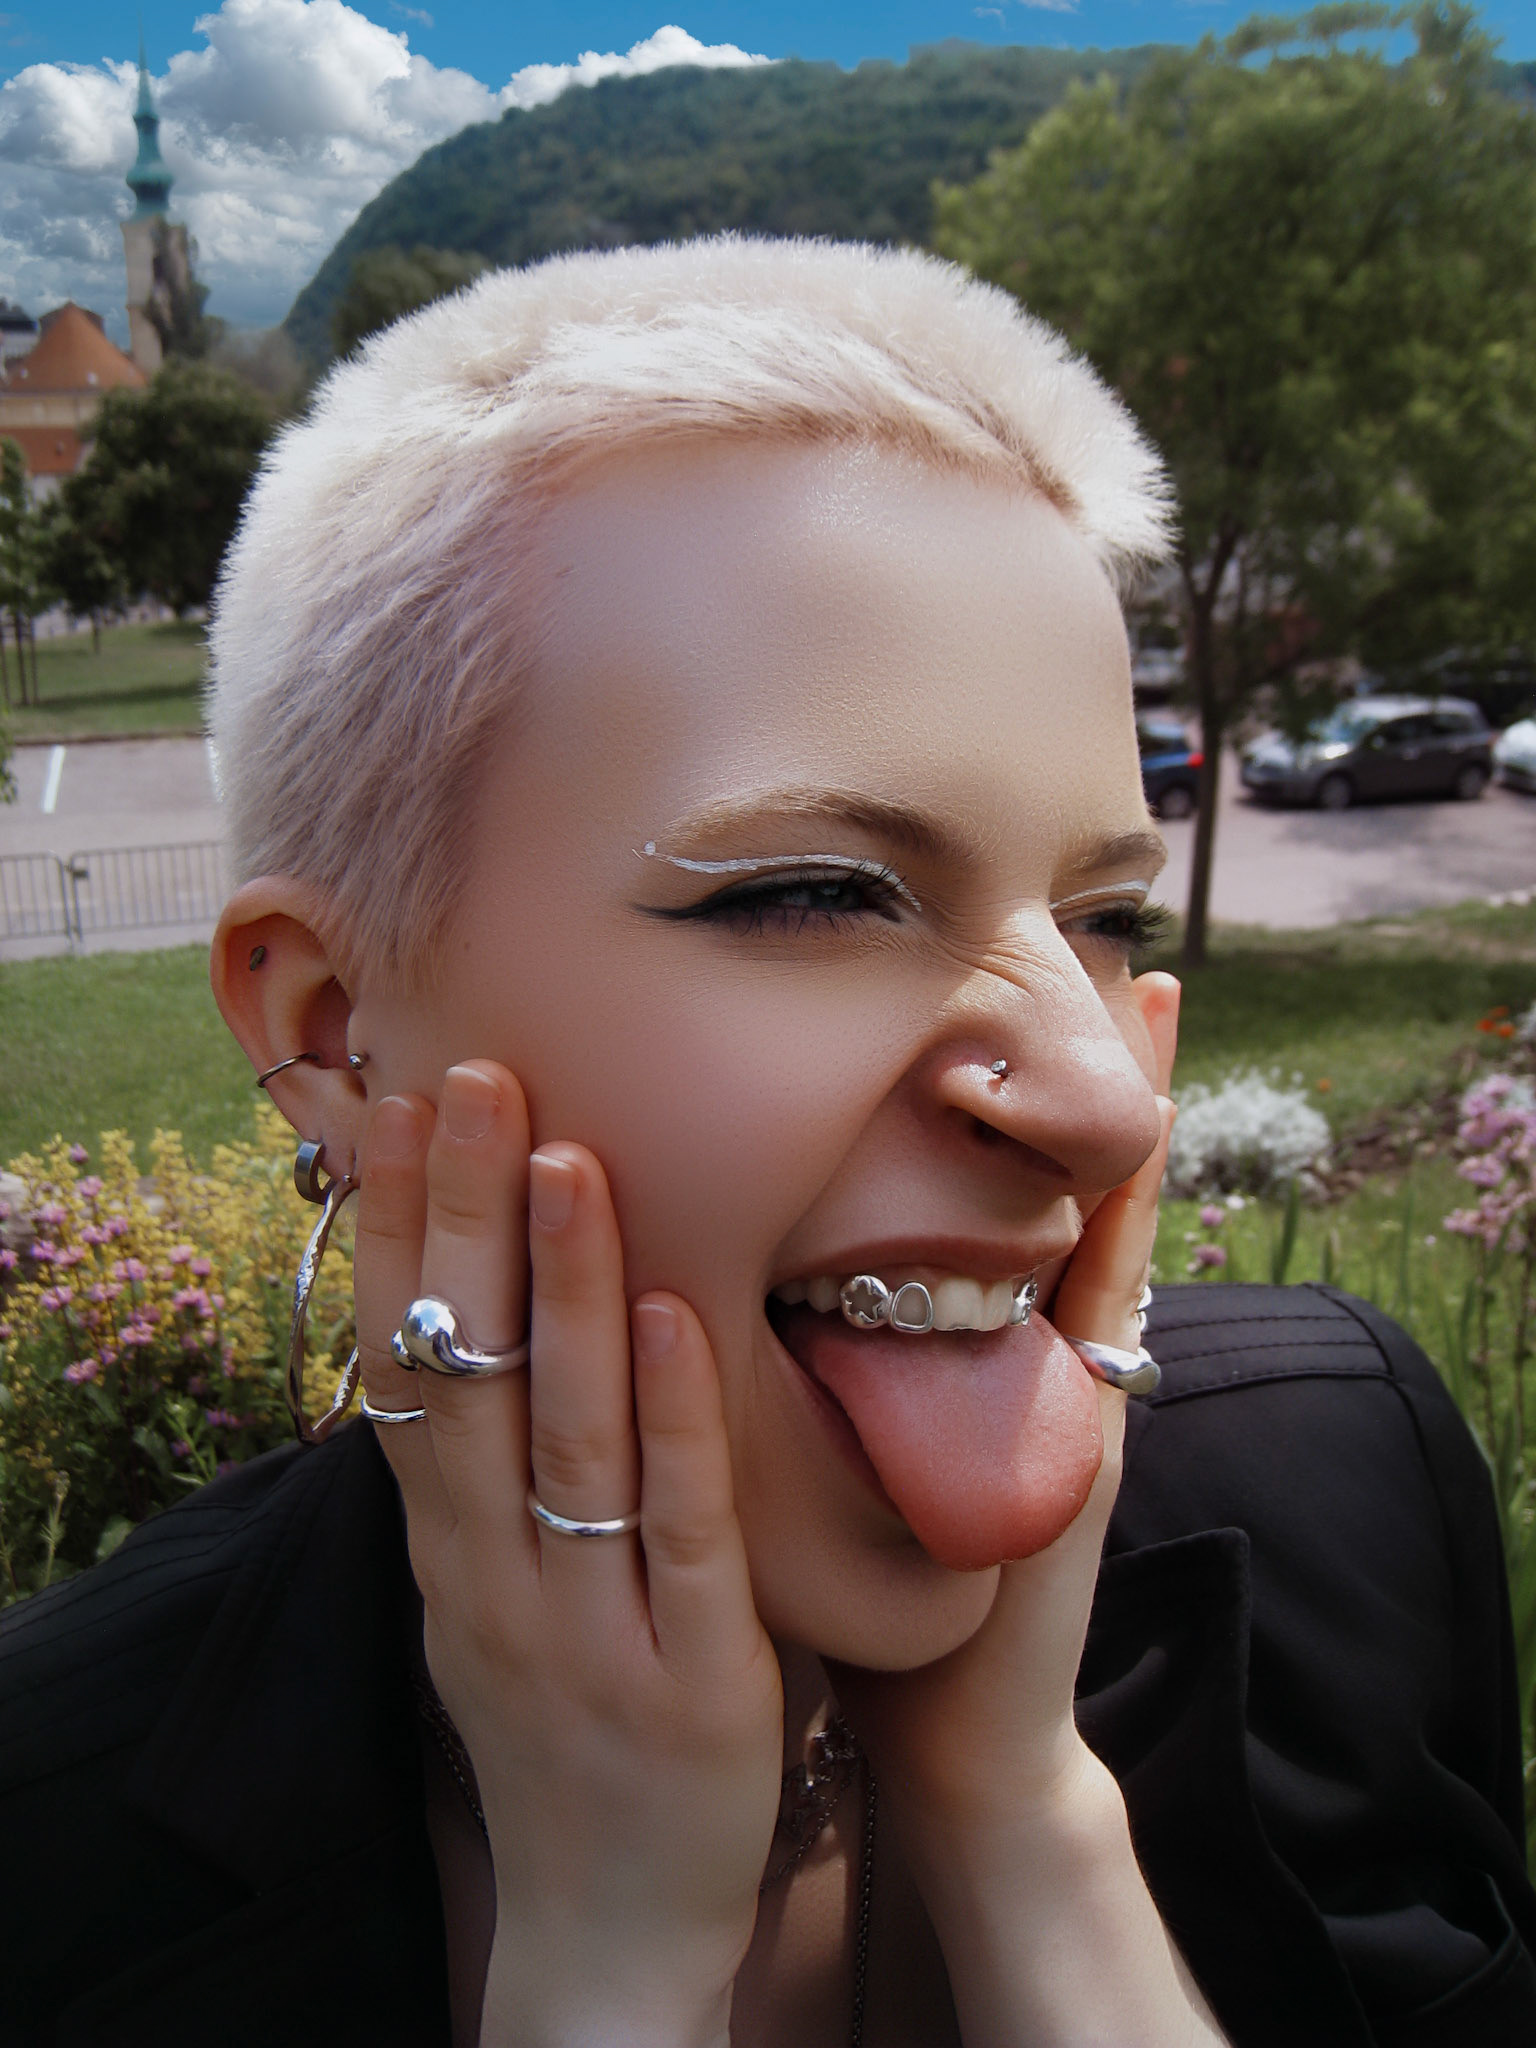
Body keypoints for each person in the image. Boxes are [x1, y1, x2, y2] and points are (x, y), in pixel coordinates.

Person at [1, 237, 1531, 2048]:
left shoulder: (1352, 1497)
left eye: (1106, 918)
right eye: (819, 892)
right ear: (337, 1032)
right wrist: (608, 1972)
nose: (1107, 1099)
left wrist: (1029, 1827)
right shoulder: (51, 1847)